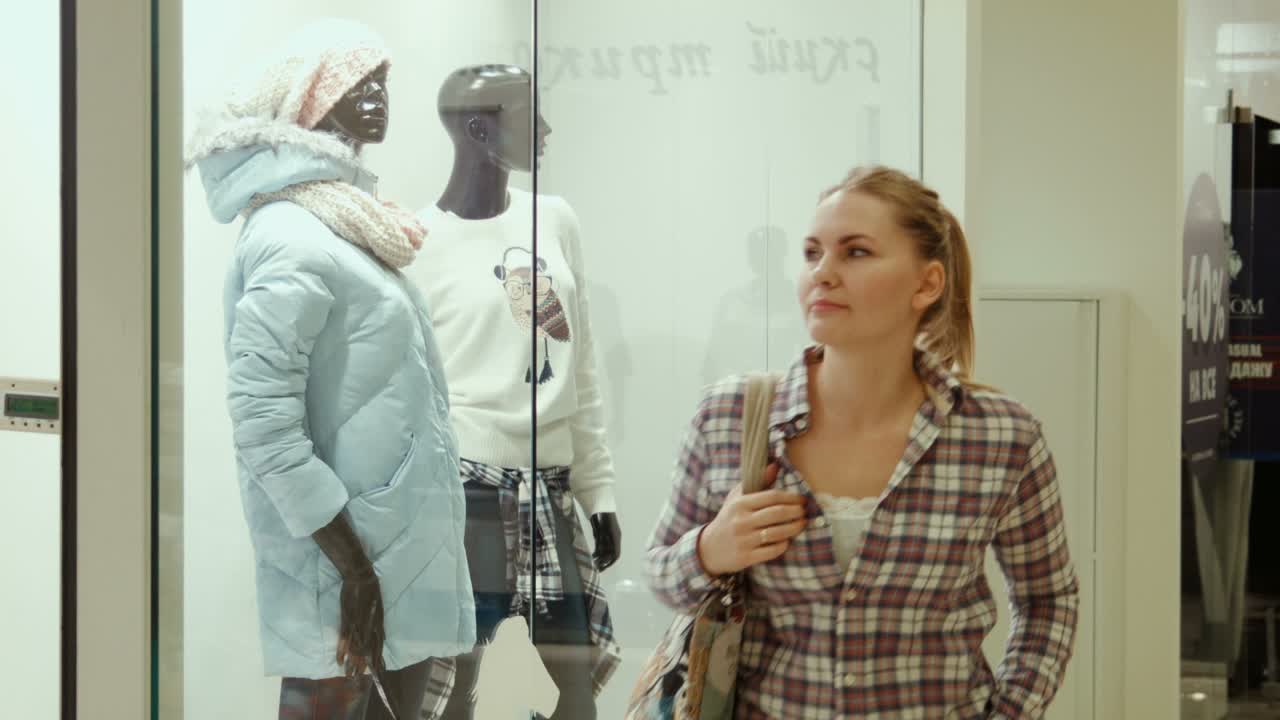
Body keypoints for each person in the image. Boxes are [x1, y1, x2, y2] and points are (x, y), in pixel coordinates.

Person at [645, 166, 1079, 719]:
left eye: (855, 253)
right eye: (811, 254)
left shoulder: (1002, 438)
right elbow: (661, 572)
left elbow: (1049, 602)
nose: (821, 274)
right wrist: (710, 549)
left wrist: (1010, 713)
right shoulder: (730, 417)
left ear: (926, 284)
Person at [185, 18, 474, 720]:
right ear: (308, 100)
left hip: (391, 557)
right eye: (356, 84)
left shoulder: (345, 223)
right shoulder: (290, 236)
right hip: (346, 568)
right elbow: (263, 425)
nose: (377, 97)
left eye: (382, 83)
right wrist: (352, 568)